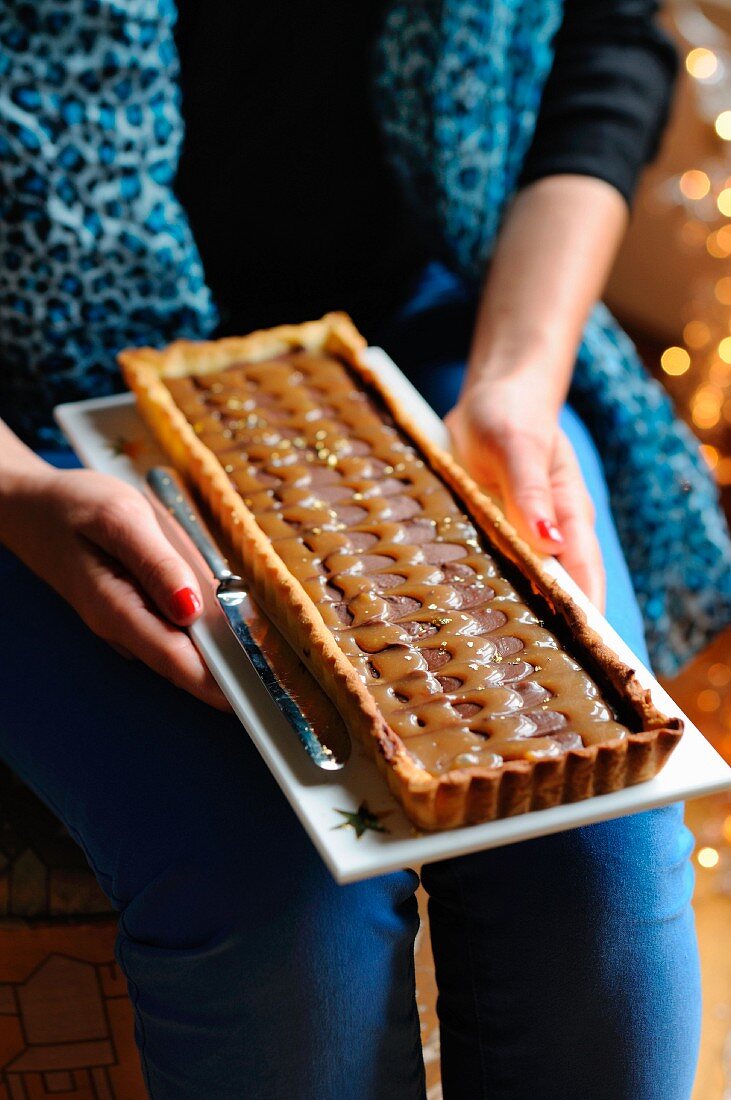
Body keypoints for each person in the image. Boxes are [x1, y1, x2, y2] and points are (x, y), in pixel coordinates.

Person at [0, 1, 717, 1096]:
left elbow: (600, 41)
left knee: (598, 869)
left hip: (437, 335)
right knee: (277, 907)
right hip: (35, 409)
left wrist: (519, 379)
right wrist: (20, 492)